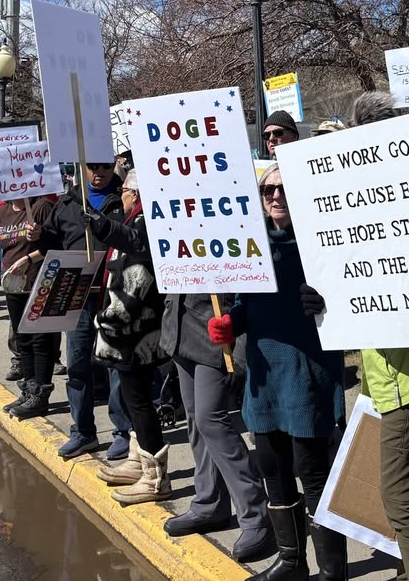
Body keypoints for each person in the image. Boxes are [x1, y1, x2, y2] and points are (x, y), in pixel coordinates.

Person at [304, 90, 409, 581]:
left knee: (403, 505)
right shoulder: (363, 211)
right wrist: (326, 301)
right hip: (388, 380)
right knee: (406, 497)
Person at [208, 164, 347, 581]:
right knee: (274, 468)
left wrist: (327, 302)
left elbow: (355, 300)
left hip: (308, 376)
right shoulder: (253, 246)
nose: (275, 196)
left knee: (314, 474)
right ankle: (291, 561)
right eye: (268, 189)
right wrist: (231, 322)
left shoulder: (324, 244)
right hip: (264, 380)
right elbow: (245, 305)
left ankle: (332, 571)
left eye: (284, 188)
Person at [161, 283, 274, 562]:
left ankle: (256, 514)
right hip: (181, 328)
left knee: (210, 419)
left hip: (217, 334)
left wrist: (240, 356)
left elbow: (249, 286)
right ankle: (209, 502)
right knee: (195, 418)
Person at [83, 169, 169, 505]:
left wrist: (105, 319)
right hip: (126, 337)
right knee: (135, 400)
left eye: (127, 189)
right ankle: (138, 459)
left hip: (134, 335)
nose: (122, 193)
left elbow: (136, 281)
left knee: (139, 401)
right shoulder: (133, 221)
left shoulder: (145, 224)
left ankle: (155, 478)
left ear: (136, 193)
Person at [38, 159, 134, 462]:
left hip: (114, 292)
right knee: (77, 364)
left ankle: (122, 431)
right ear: (81, 168)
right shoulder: (67, 203)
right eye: (92, 166)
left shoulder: (125, 198)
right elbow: (50, 242)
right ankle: (82, 432)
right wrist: (35, 237)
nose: (99, 172)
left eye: (105, 166)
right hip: (76, 294)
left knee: (115, 363)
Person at [0, 196, 56, 418]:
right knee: (23, 338)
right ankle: (29, 390)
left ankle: (41, 394)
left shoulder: (41, 206)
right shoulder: (2, 212)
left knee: (40, 340)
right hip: (13, 286)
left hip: (38, 282)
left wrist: (29, 257)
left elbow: (56, 242)